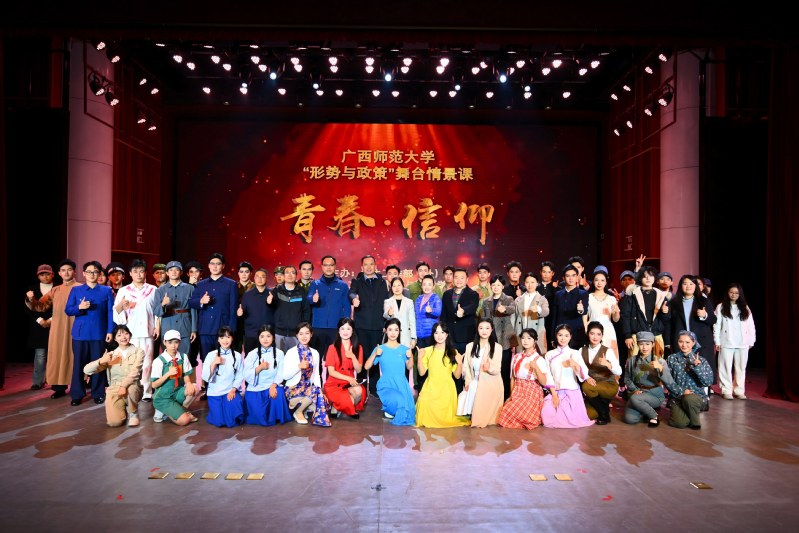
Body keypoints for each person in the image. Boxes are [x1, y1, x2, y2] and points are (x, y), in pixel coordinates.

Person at [27, 259, 80, 399]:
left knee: (75, 356)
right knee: (57, 356)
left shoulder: (81, 288)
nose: (66, 273)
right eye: (63, 270)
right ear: (59, 273)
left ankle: (77, 387)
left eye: (69, 270)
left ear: (74, 272)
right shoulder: (55, 290)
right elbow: (40, 306)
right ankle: (59, 388)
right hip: (57, 329)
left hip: (76, 327)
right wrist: (31, 300)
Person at [65, 261, 114, 406]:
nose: (92, 274)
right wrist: (79, 307)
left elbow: (110, 312)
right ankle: (77, 394)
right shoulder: (76, 290)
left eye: (95, 272)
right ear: (84, 273)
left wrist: (110, 330)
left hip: (99, 333)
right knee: (78, 364)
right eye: (89, 271)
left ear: (99, 274)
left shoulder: (106, 290)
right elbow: (68, 310)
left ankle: (98, 393)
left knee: (98, 364)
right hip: (80, 334)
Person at [112, 259, 158, 405]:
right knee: (130, 364)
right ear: (130, 273)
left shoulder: (153, 289)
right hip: (130, 333)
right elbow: (116, 313)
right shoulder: (124, 291)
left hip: (147, 332)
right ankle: (131, 389)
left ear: (145, 273)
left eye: (141, 271)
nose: (139, 274)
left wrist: (157, 326)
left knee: (147, 363)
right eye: (135, 271)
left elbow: (157, 311)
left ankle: (147, 391)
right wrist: (121, 306)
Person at [188, 252, 238, 379]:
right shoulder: (201, 284)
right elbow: (191, 302)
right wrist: (201, 301)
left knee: (224, 360)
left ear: (223, 266)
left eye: (218, 264)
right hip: (205, 329)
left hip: (223, 329)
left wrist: (231, 330)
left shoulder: (231, 284)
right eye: (212, 264)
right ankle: (207, 386)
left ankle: (224, 385)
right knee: (206, 360)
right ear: (208, 266)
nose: (215, 266)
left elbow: (233, 309)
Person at [83, 325, 144, 427]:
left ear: (130, 335)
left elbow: (135, 372)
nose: (123, 337)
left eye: (126, 334)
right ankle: (122, 407)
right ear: (115, 338)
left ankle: (133, 413)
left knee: (131, 388)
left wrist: (123, 386)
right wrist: (101, 361)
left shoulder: (138, 351)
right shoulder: (111, 355)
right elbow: (87, 370)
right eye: (119, 335)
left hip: (132, 385)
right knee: (114, 423)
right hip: (114, 388)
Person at [415, 322, 470, 428]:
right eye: (436, 333)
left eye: (442, 332)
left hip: (446, 389)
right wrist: (420, 359)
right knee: (423, 403)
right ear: (433, 335)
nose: (439, 336)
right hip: (431, 386)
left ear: (447, 335)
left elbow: (457, 376)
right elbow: (421, 373)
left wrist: (460, 363)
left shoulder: (453, 352)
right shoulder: (427, 350)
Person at [349, 255, 389, 395]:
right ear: (362, 267)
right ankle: (361, 387)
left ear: (375, 266)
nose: (368, 267)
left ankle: (374, 388)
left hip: (378, 326)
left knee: (375, 357)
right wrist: (354, 299)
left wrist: (386, 322)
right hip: (361, 326)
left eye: (371, 264)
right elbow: (351, 293)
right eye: (366, 264)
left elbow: (386, 302)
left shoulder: (382, 282)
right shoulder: (357, 281)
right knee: (361, 356)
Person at [668, 274, 717, 389]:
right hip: (682, 341)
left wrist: (705, 315)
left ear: (696, 286)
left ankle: (704, 393)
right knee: (682, 368)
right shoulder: (674, 302)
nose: (688, 286)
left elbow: (713, 319)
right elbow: (669, 323)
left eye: (691, 284)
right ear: (681, 286)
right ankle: (681, 393)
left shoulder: (703, 301)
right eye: (685, 284)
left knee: (700, 366)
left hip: (701, 340)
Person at [540, 324, 594, 428]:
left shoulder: (575, 353)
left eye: (566, 335)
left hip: (571, 392)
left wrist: (575, 364)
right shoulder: (549, 354)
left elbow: (583, 374)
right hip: (555, 391)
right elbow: (548, 376)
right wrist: (554, 395)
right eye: (560, 335)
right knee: (546, 415)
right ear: (556, 336)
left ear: (570, 337)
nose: (563, 338)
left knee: (572, 419)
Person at [364, 317, 416, 425]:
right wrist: (375, 354)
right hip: (386, 384)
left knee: (409, 410)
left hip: (401, 385)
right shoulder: (380, 348)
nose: (393, 333)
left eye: (396, 330)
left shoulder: (404, 349)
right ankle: (390, 408)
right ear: (385, 331)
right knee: (399, 400)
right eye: (390, 329)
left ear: (399, 331)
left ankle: (391, 409)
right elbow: (366, 366)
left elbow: (409, 366)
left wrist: (411, 356)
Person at [498, 328, 551, 430]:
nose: (525, 341)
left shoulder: (539, 359)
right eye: (523, 338)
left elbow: (544, 382)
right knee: (505, 412)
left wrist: (536, 367)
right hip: (518, 390)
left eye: (529, 338)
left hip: (532, 392)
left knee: (518, 413)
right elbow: (513, 378)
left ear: (535, 341)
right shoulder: (516, 357)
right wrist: (511, 395)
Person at [283, 322, 331, 426]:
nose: (304, 337)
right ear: (296, 335)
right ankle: (298, 411)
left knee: (325, 405)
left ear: (311, 334)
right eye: (301, 334)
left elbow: (316, 375)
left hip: (308, 389)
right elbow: (285, 376)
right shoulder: (291, 352)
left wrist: (320, 393)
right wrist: (299, 366)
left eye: (307, 333)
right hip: (293, 388)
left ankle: (303, 406)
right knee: (318, 402)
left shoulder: (315, 353)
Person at [713, 282, 756, 400]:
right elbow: (717, 325)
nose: (733, 295)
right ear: (727, 293)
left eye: (736, 293)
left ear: (740, 294)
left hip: (742, 343)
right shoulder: (721, 307)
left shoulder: (745, 307)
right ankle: (726, 390)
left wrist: (751, 340)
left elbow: (751, 325)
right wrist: (717, 341)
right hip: (726, 342)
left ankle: (739, 390)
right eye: (731, 292)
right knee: (725, 367)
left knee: (741, 368)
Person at [243, 324, 292, 426]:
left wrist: (273, 385)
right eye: (262, 336)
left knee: (278, 393)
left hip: (272, 385)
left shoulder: (279, 353)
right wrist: (260, 368)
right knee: (257, 413)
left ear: (273, 338)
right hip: (256, 387)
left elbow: (281, 372)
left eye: (268, 336)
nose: (265, 339)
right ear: (258, 338)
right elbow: (246, 374)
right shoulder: (252, 354)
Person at [665, 330, 713, 429]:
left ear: (693, 343)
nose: (684, 345)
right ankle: (688, 412)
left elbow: (708, 382)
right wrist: (681, 391)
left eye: (687, 342)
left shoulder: (701, 360)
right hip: (677, 397)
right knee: (679, 423)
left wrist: (698, 367)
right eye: (681, 341)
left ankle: (695, 422)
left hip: (695, 397)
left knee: (689, 399)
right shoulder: (671, 359)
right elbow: (668, 381)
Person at [460, 318, 504, 427]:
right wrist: (467, 382)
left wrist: (489, 368)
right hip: (474, 380)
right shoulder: (470, 346)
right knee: (469, 391)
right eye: (481, 328)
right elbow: (466, 367)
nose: (484, 331)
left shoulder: (497, 347)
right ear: (477, 329)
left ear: (492, 330)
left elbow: (497, 369)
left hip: (490, 383)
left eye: (487, 328)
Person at [623, 331, 673, 426]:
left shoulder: (660, 361)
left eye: (647, 344)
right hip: (637, 393)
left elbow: (669, 382)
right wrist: (634, 390)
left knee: (635, 399)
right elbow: (627, 378)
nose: (644, 347)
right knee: (630, 419)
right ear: (637, 344)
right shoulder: (632, 360)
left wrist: (661, 369)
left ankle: (654, 416)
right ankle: (644, 410)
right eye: (641, 344)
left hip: (654, 394)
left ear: (653, 344)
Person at [619, 265, 670, 356]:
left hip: (656, 335)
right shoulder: (632, 295)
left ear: (655, 278)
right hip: (637, 335)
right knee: (635, 363)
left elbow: (666, 320)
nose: (648, 278)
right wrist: (627, 335)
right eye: (644, 276)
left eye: (650, 275)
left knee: (657, 362)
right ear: (640, 278)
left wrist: (665, 312)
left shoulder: (661, 295)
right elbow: (625, 316)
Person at [480, 275, 517, 400]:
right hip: (491, 337)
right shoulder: (486, 301)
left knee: (504, 369)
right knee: (490, 367)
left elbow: (513, 309)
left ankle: (505, 396)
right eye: (494, 285)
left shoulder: (508, 299)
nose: (496, 287)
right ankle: (492, 396)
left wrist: (504, 309)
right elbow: (484, 319)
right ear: (490, 286)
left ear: (502, 286)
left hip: (504, 337)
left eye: (498, 285)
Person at [201, 325, 245, 427]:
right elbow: (205, 377)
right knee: (219, 421)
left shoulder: (237, 356)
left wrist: (233, 390)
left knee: (232, 420)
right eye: (222, 337)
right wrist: (213, 364)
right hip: (215, 392)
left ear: (232, 338)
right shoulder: (211, 355)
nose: (225, 340)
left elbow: (240, 375)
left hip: (230, 391)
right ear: (218, 339)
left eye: (228, 337)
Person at [150, 330, 198, 425]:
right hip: (163, 397)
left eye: (176, 342)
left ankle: (182, 410)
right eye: (170, 342)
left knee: (194, 388)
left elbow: (186, 375)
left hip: (177, 392)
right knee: (185, 420)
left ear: (179, 342)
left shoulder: (183, 357)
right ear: (164, 342)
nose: (173, 346)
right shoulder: (159, 361)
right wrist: (168, 374)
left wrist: (189, 383)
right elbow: (154, 384)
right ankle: (161, 409)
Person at [307, 255, 351, 358]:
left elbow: (347, 306)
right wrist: (313, 299)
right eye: (326, 265)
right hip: (318, 326)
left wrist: (346, 324)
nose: (328, 267)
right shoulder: (315, 284)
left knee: (334, 357)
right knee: (316, 357)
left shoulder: (343, 285)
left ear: (335, 266)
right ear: (322, 267)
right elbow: (309, 297)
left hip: (335, 327)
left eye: (331, 265)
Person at [323, 317, 367, 419]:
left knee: (359, 391)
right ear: (339, 331)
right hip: (334, 384)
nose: (345, 331)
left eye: (348, 328)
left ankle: (337, 406)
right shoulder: (332, 348)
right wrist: (349, 378)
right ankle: (340, 405)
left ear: (352, 331)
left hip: (348, 384)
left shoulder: (358, 347)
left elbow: (359, 370)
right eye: (342, 328)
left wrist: (353, 356)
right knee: (348, 402)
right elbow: (331, 372)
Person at [580, 321, 622, 424]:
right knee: (590, 414)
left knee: (586, 387)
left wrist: (608, 364)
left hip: (608, 384)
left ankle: (604, 414)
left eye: (598, 334)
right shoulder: (582, 350)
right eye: (592, 333)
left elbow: (619, 371)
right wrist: (587, 377)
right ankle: (604, 408)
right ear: (588, 334)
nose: (595, 337)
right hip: (593, 385)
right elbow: (580, 370)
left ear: (602, 336)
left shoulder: (607, 351)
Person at [153, 260, 197, 357]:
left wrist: (194, 329)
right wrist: (163, 304)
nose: (173, 272)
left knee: (184, 357)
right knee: (169, 358)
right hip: (167, 325)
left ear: (181, 272)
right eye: (171, 270)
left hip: (185, 326)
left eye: (176, 270)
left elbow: (193, 309)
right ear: (167, 273)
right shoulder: (160, 290)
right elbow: (156, 311)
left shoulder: (190, 288)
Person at [24, 264, 54, 390]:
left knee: (55, 355)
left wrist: (51, 320)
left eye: (47, 274)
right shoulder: (32, 289)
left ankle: (54, 381)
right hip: (38, 326)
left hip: (55, 325)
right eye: (42, 274)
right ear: (38, 276)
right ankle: (38, 382)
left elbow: (61, 306)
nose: (45, 276)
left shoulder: (57, 288)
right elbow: (28, 308)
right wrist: (40, 319)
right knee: (40, 355)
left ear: (52, 274)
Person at [412, 274, 443, 392]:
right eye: (424, 284)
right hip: (419, 334)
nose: (427, 286)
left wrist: (431, 310)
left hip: (431, 334)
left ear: (433, 286)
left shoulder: (435, 298)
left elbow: (438, 312)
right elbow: (416, 315)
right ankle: (421, 387)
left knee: (431, 360)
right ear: (421, 285)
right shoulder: (419, 298)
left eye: (429, 284)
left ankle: (431, 387)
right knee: (421, 360)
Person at [270, 265, 310, 353]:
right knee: (279, 359)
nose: (290, 275)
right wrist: (268, 302)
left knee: (296, 359)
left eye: (293, 273)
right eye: (287, 272)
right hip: (279, 333)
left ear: (296, 275)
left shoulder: (302, 291)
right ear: (284, 275)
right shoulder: (277, 291)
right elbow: (270, 308)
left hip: (296, 334)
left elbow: (306, 311)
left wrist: (303, 328)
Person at [549, 265, 589, 349]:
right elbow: (554, 317)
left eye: (573, 275)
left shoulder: (583, 293)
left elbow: (584, 312)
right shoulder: (558, 294)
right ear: (563, 278)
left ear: (577, 277)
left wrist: (580, 310)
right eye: (568, 276)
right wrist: (553, 337)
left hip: (576, 334)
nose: (571, 278)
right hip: (560, 334)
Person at [441, 267, 479, 355]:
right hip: (450, 335)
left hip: (465, 336)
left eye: (462, 278)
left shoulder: (473, 294)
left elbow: (473, 306)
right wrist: (444, 332)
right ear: (453, 279)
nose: (459, 280)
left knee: (465, 361)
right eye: (456, 277)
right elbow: (444, 315)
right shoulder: (447, 294)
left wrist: (464, 311)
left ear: (467, 279)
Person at [237, 267, 276, 354]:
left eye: (262, 276)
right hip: (251, 334)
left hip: (268, 334)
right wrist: (240, 314)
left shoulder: (272, 293)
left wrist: (271, 302)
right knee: (250, 358)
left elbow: (277, 312)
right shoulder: (247, 295)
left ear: (266, 278)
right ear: (254, 278)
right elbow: (243, 312)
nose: (260, 279)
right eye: (257, 276)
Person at [584, 267, 621, 355]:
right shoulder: (588, 297)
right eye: (596, 280)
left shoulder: (611, 298)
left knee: (610, 356)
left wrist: (616, 312)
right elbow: (585, 316)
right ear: (593, 281)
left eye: (602, 280)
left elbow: (615, 319)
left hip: (608, 330)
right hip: (593, 330)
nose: (599, 283)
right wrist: (586, 329)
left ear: (606, 282)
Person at [514, 271, 549, 355]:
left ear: (537, 283)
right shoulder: (518, 299)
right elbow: (514, 318)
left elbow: (546, 311)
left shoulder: (541, 299)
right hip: (520, 332)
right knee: (521, 357)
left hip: (536, 331)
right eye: (527, 282)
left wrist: (539, 309)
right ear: (524, 283)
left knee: (537, 356)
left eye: (532, 282)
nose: (530, 285)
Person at [383, 277, 417, 356]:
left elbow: (412, 321)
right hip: (392, 336)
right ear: (391, 288)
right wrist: (389, 314)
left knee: (406, 360)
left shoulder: (409, 302)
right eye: (394, 286)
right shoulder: (388, 301)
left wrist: (414, 338)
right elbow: (385, 315)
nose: (397, 288)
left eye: (399, 285)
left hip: (406, 336)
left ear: (403, 286)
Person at [234, 260, 255, 352]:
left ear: (251, 273)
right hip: (236, 323)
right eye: (241, 272)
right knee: (235, 352)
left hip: (251, 323)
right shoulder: (233, 287)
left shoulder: (256, 287)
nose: (244, 274)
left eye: (246, 272)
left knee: (251, 352)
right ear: (238, 273)